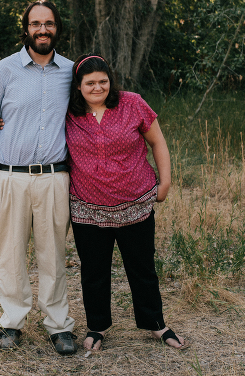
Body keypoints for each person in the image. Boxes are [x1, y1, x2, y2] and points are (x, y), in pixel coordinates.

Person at [65, 54, 189, 351]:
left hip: (134, 202)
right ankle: (97, 327)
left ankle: (156, 325)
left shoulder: (132, 103)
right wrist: (4, 123)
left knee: (142, 268)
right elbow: (33, 123)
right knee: (94, 271)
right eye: (90, 83)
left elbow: (157, 142)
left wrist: (166, 181)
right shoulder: (67, 111)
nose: (98, 88)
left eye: (103, 81)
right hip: (87, 206)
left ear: (111, 81)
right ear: (78, 86)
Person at [0, 0, 77, 355]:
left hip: (54, 178)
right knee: (11, 254)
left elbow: (96, 103)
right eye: (36, 23)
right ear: (26, 29)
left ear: (57, 29)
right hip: (11, 178)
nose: (43, 29)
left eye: (49, 23)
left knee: (53, 255)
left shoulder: (71, 72)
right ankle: (11, 322)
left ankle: (59, 325)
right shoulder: (3, 71)